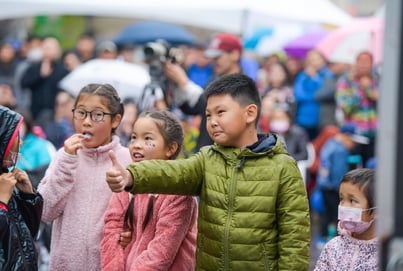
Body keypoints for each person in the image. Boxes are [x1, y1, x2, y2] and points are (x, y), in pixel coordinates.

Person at [106, 74, 311, 270]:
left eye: (220, 112)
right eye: (208, 115)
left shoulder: (283, 167)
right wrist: (131, 176)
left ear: (250, 113)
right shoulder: (207, 159)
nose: (212, 121)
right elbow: (173, 172)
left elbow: (295, 240)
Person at [37, 83, 132, 271]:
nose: (86, 122)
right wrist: (67, 161)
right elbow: (45, 210)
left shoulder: (128, 159)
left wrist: (131, 233)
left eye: (97, 115)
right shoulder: (63, 156)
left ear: (115, 120)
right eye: (80, 113)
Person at [101, 110, 198, 270]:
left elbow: (161, 253)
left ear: (171, 148)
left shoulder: (178, 192)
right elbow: (112, 232)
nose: (136, 144)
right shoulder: (126, 182)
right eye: (133, 137)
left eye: (147, 138)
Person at [0, 105, 43, 270]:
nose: (21, 141)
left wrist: (28, 196)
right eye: (16, 135)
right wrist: (1, 204)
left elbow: (28, 234)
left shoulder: (5, 178)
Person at [314, 168, 378, 270]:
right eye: (341, 199)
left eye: (352, 201)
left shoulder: (384, 256)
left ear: (375, 211)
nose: (344, 206)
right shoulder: (332, 247)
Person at [315, 123, 359, 247]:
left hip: (324, 186)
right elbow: (338, 172)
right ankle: (336, 240)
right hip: (333, 188)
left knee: (326, 213)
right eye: (353, 140)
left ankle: (322, 237)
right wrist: (343, 190)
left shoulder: (330, 144)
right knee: (337, 214)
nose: (354, 144)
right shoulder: (340, 149)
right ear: (347, 136)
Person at [335, 51, 379, 165]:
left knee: (370, 171)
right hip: (354, 136)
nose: (364, 65)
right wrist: (360, 91)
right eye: (361, 61)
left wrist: (370, 90)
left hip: (374, 136)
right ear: (356, 63)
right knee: (354, 171)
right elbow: (345, 108)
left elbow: (387, 106)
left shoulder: (378, 81)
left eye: (367, 62)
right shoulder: (345, 81)